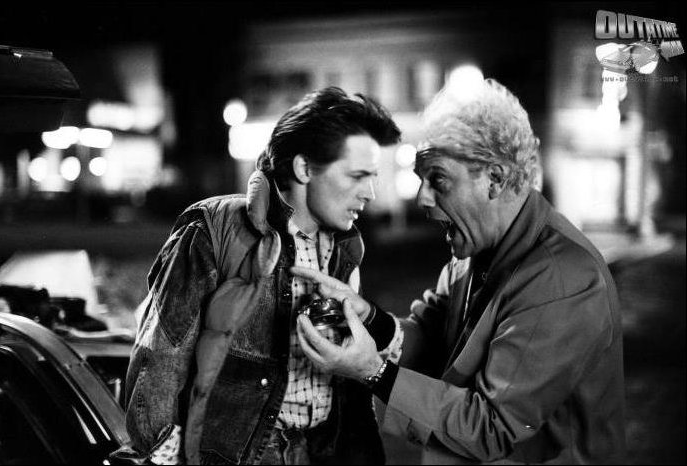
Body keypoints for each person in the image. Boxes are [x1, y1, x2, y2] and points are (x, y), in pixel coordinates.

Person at [292, 79, 626, 464]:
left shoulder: (560, 279)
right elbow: (430, 338)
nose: (423, 197)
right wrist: (368, 319)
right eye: (421, 179)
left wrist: (373, 372)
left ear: (495, 179)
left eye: (438, 179)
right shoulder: (474, 252)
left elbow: (491, 428)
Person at [118, 87, 401, 465]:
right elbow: (161, 355)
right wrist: (161, 455)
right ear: (304, 168)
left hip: (323, 449)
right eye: (357, 176)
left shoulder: (346, 247)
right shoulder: (218, 228)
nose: (370, 193)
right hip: (247, 453)